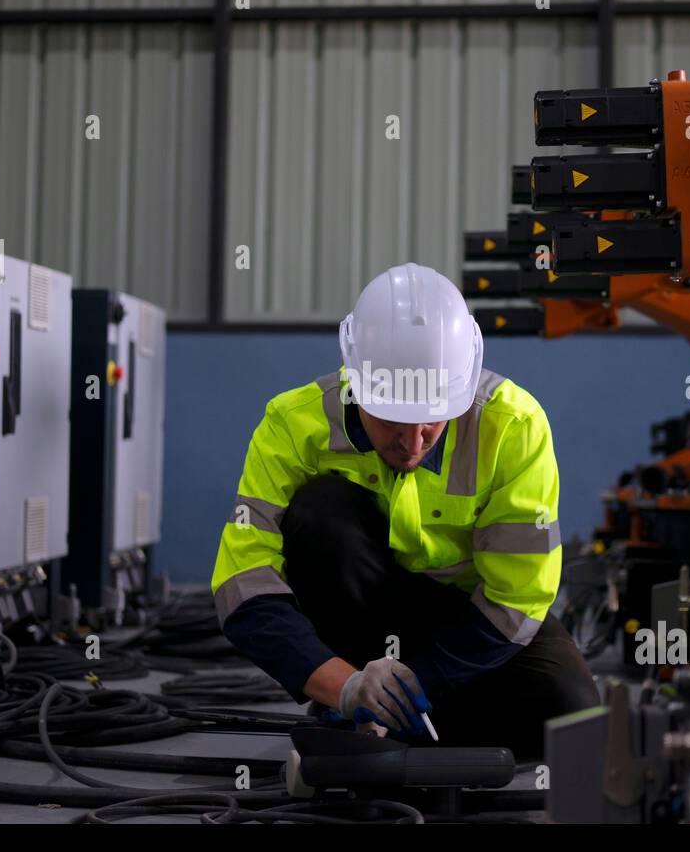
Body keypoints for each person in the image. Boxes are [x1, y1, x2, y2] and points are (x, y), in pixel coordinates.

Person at [210, 263, 598, 756]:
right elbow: (243, 584)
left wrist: (423, 682)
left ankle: (390, 719)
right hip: (361, 616)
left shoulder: (514, 427)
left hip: (468, 616)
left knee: (571, 709)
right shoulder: (292, 425)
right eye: (392, 418)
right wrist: (345, 685)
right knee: (321, 511)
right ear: (356, 381)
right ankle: (350, 702)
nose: (413, 442)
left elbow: (517, 599)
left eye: (432, 420)